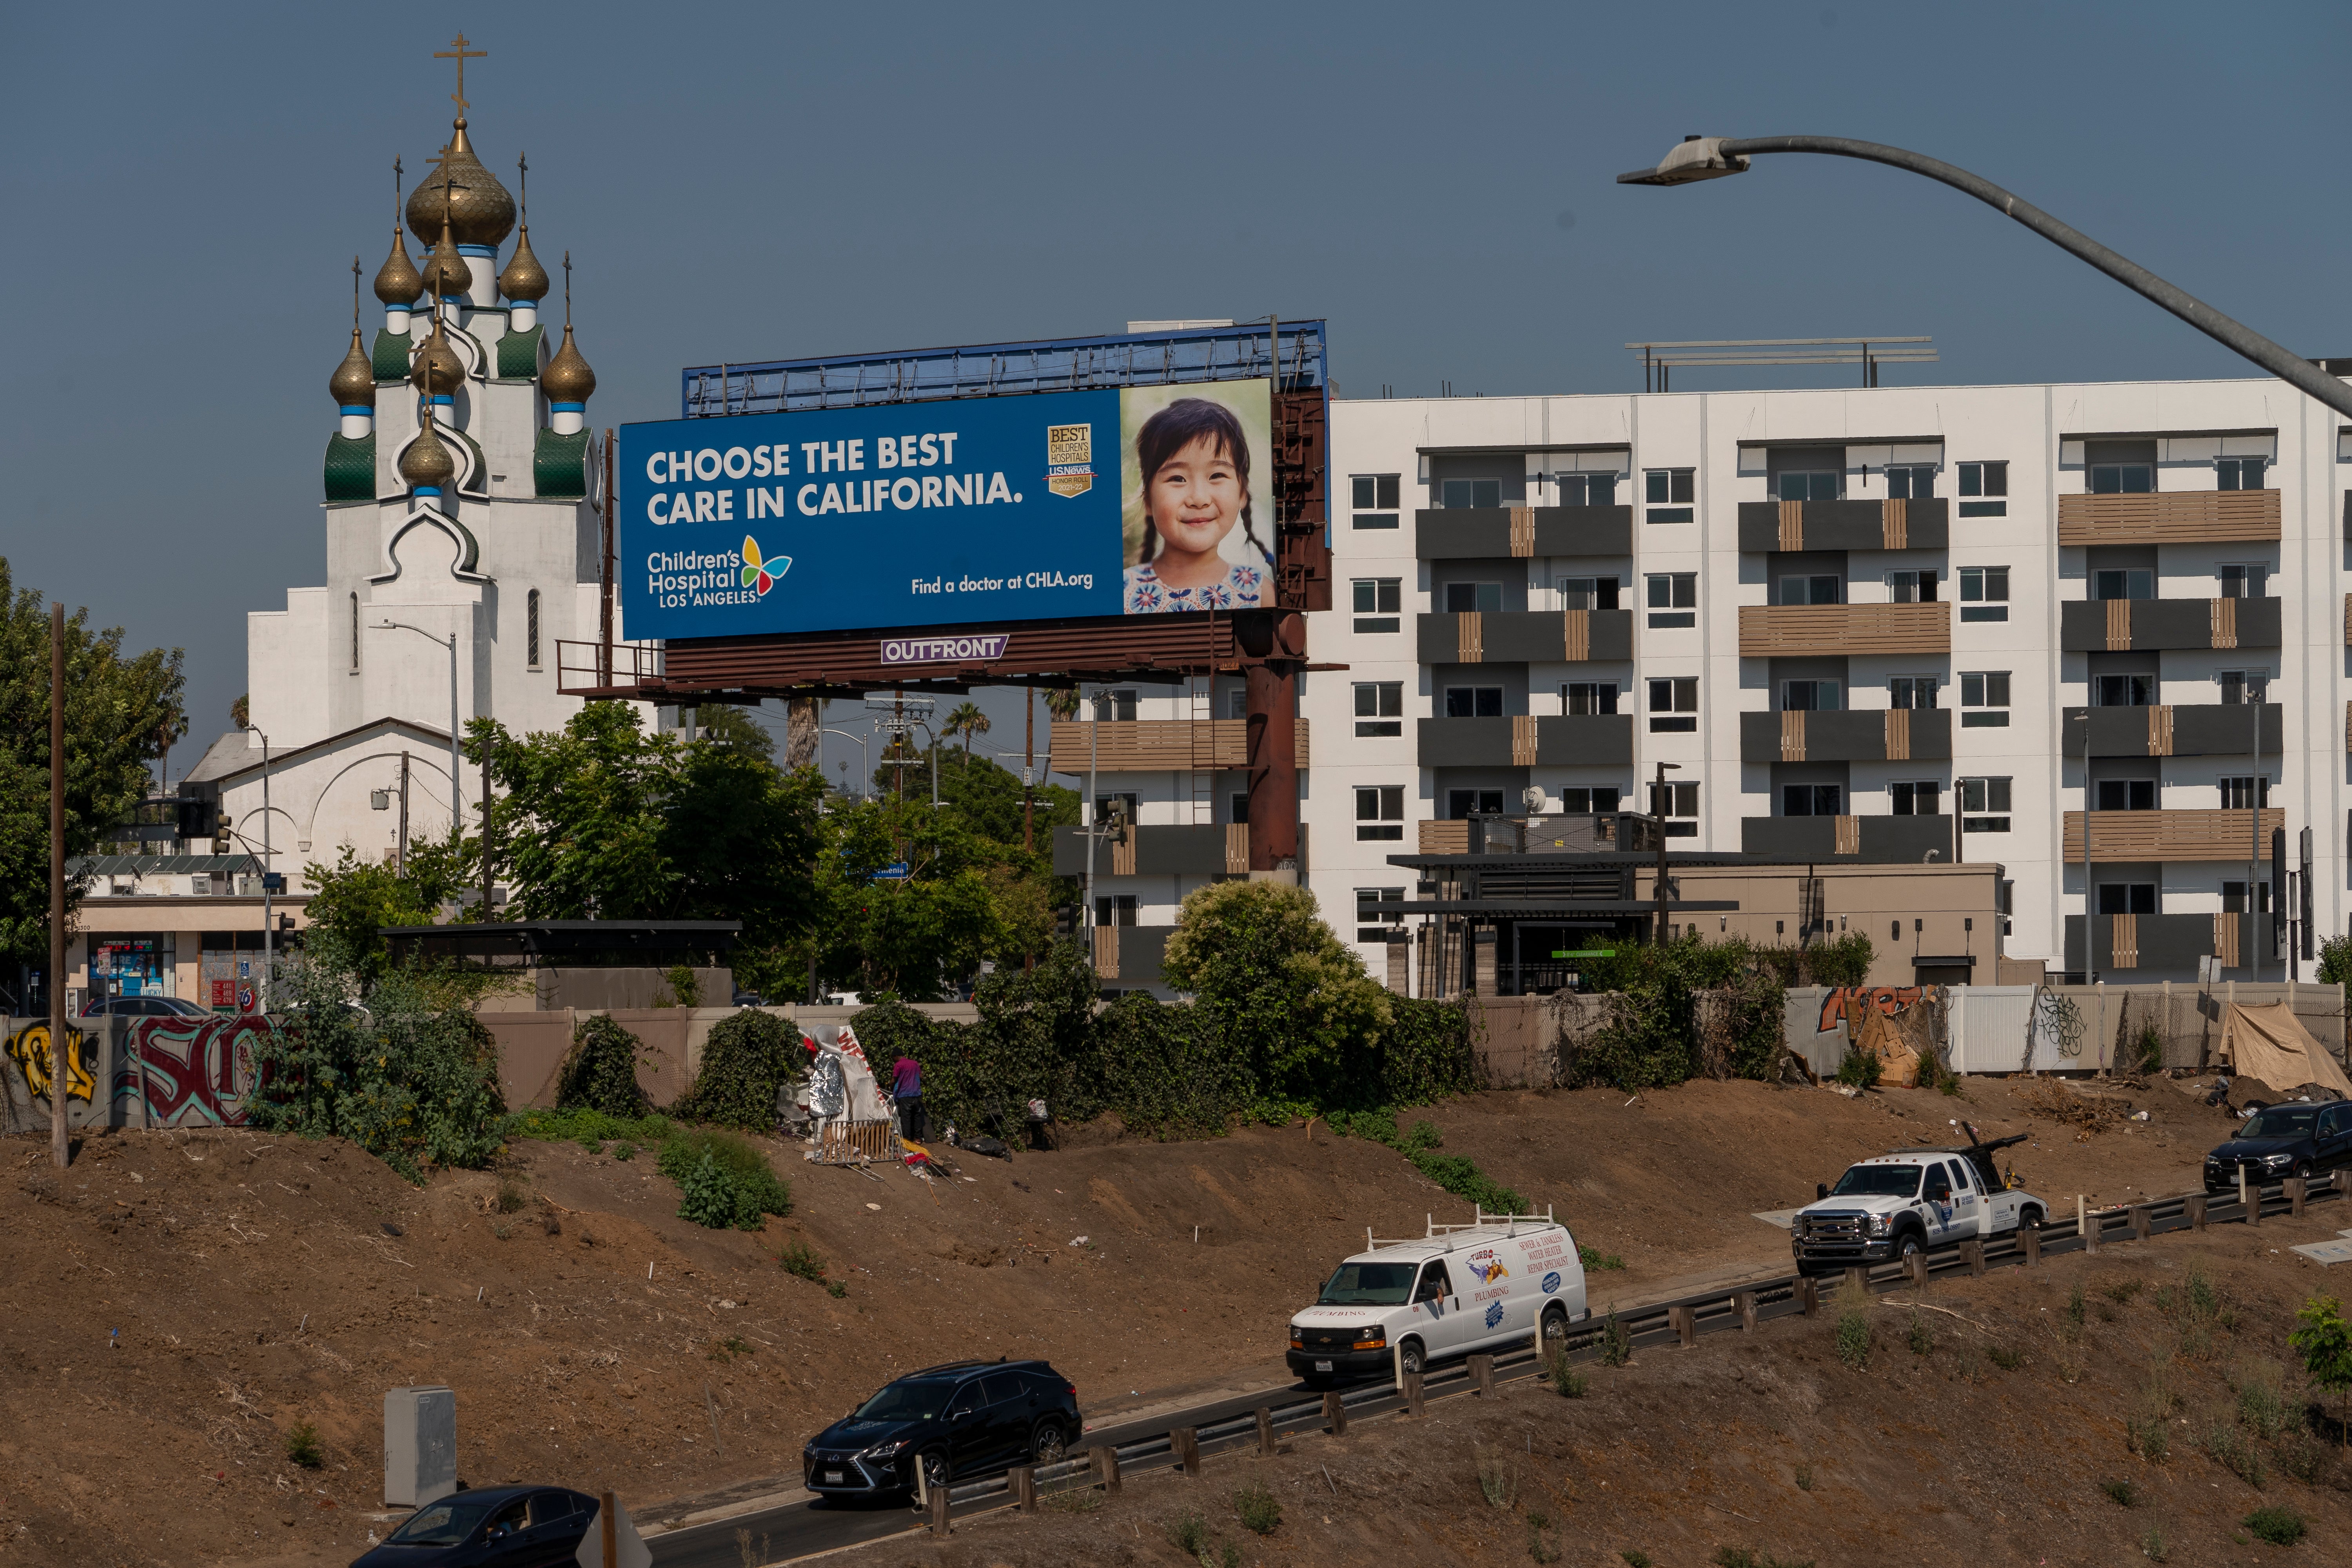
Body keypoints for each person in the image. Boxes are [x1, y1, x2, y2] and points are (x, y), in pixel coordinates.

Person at [1122, 396, 1267, 612]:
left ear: (1242, 493)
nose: (1199, 499)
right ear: (1148, 500)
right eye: (1178, 479)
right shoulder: (1122, 592)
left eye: (1217, 475)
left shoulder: (1258, 592)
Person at [892, 1052, 925, 1142]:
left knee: (906, 1118)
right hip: (916, 1094)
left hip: (905, 1094)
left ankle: (907, 1139)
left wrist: (890, 1085)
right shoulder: (915, 1063)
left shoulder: (898, 1065)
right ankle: (918, 1138)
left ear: (897, 1056)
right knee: (917, 1116)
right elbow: (921, 1076)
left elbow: (894, 1079)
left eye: (893, 1058)